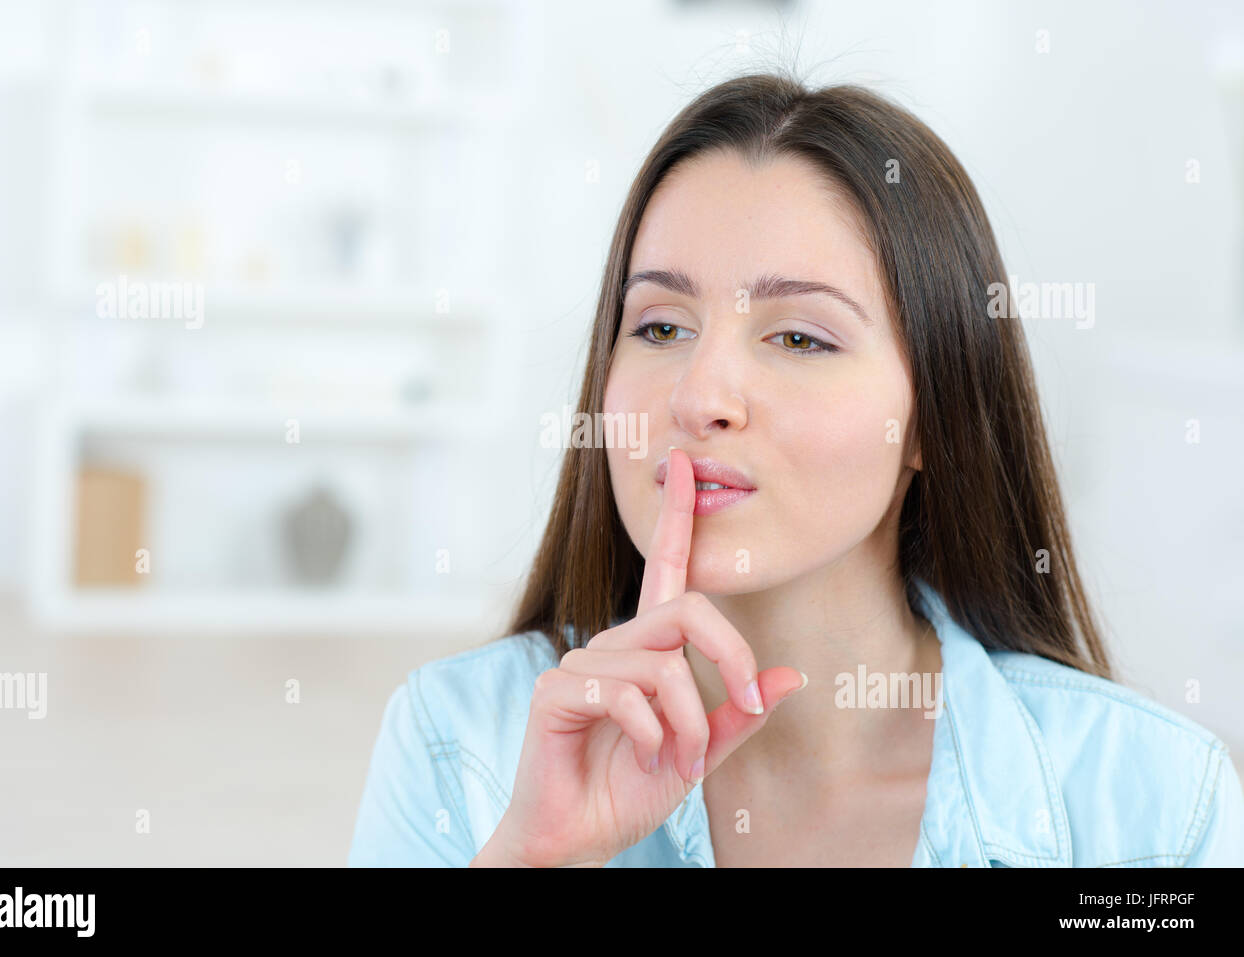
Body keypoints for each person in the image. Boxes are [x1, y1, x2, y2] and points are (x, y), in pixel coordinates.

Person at [348, 72, 1244, 867]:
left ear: (933, 417)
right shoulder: (454, 743)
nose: (700, 396)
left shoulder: (1156, 805)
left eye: (799, 337)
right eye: (660, 326)